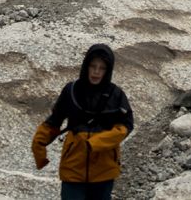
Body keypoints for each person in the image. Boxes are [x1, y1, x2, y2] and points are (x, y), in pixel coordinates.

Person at [32, 44, 135, 199]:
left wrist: (97, 142)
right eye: (93, 66)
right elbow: (55, 121)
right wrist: (39, 145)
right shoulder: (71, 91)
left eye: (102, 68)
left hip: (104, 170)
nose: (96, 72)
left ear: (108, 70)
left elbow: (126, 125)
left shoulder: (116, 94)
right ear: (86, 66)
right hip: (73, 166)